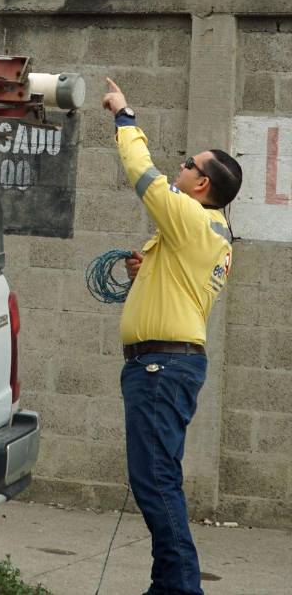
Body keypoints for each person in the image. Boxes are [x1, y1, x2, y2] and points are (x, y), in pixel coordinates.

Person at [103, 77, 243, 595]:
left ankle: (181, 588)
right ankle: (169, 586)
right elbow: (181, 285)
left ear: (201, 185)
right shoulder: (209, 233)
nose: (179, 168)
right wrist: (149, 268)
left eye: (188, 164)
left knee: (155, 480)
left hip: (160, 369)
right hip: (165, 367)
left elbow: (143, 173)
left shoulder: (189, 217)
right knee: (156, 478)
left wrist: (124, 115)